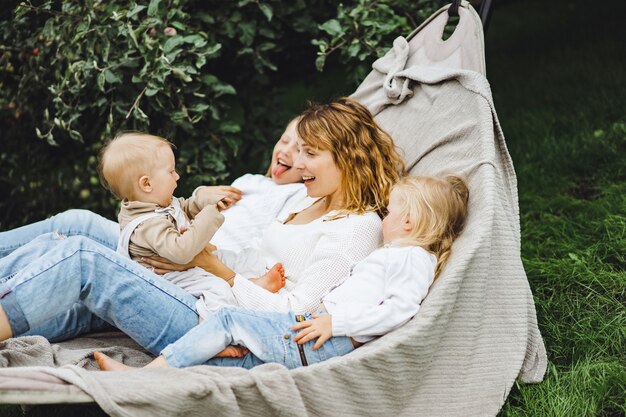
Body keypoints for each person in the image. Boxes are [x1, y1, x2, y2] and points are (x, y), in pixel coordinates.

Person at [0, 97, 405, 356]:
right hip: (199, 288)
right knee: (75, 278)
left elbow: (294, 314)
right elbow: (249, 258)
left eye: (310, 154)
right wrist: (192, 261)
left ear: (347, 159)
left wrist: (212, 267)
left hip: (211, 319)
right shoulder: (307, 199)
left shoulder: (356, 228)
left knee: (83, 258)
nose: (297, 165)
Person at [94, 175, 470, 371]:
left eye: (389, 212)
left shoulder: (411, 258)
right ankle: (163, 377)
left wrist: (334, 323)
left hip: (323, 339)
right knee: (233, 353)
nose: (383, 218)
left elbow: (401, 310)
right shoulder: (399, 254)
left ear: (408, 220)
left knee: (228, 319)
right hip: (314, 332)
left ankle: (148, 376)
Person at [0, 117, 306, 259]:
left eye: (302, 149)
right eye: (285, 139)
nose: (286, 151)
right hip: (166, 235)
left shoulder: (300, 196)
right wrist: (202, 196)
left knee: (76, 236)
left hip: (193, 256)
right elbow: (182, 205)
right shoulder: (251, 181)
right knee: (72, 224)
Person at [99, 132, 286, 317]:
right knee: (216, 289)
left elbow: (183, 207)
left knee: (233, 258)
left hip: (185, 265)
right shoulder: (146, 225)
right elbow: (181, 252)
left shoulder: (156, 203)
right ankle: (214, 330)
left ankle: (254, 281)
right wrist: (209, 214)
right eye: (171, 171)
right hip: (168, 278)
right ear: (146, 184)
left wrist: (202, 202)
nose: (177, 176)